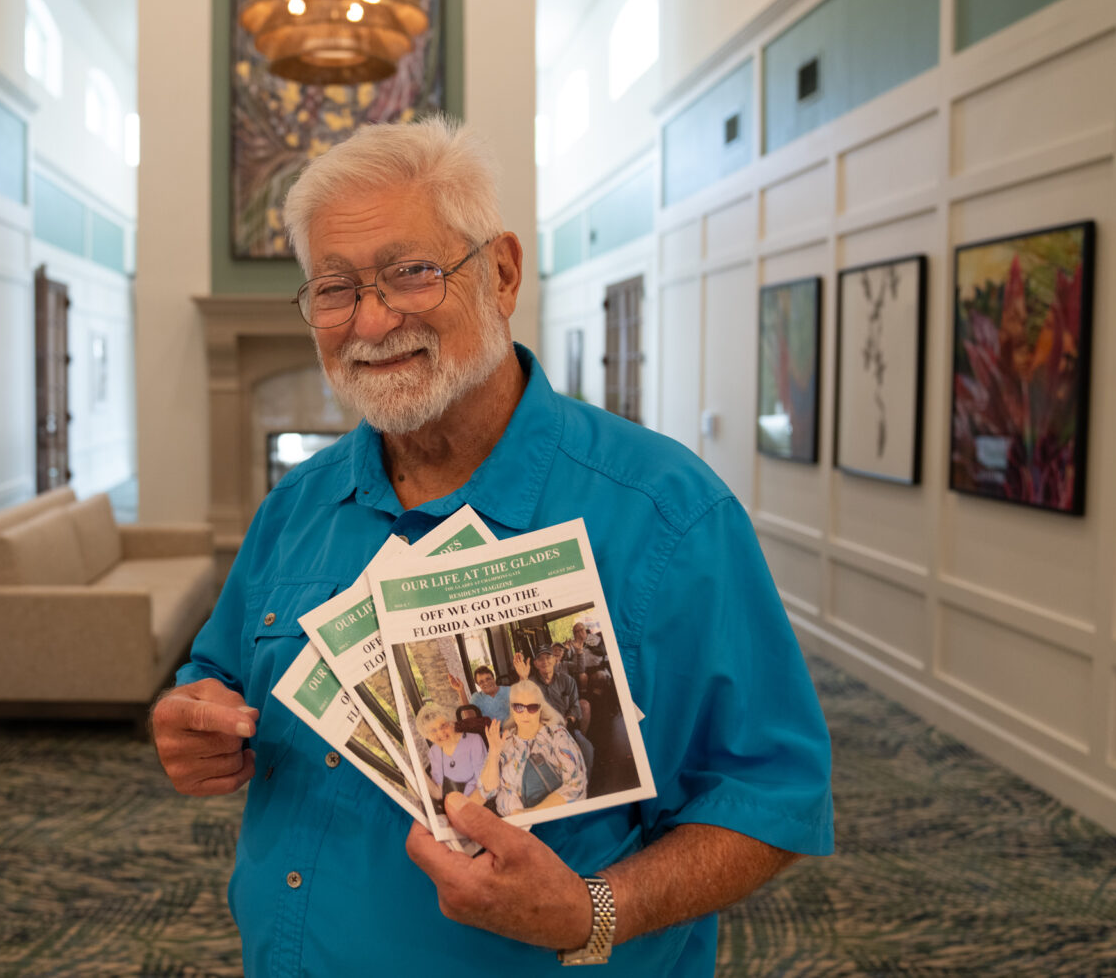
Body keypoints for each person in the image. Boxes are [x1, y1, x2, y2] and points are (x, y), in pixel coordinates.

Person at [150, 116, 833, 974]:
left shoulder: (669, 515)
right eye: (334, 288)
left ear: (501, 272)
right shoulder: (297, 504)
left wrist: (592, 909)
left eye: (410, 273)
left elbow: (772, 795)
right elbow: (214, 674)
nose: (370, 320)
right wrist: (193, 716)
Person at [480, 680, 588, 815]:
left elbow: (576, 785)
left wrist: (532, 813)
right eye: (519, 707)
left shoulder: (556, 735)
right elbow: (487, 789)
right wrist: (494, 754)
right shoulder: (503, 741)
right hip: (512, 824)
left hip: (552, 819)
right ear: (512, 709)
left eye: (532, 708)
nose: (525, 714)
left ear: (540, 709)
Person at [517, 645, 593, 767]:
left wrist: (568, 720)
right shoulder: (530, 683)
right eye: (540, 659)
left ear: (554, 660)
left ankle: (583, 783)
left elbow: (575, 706)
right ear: (535, 664)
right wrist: (523, 678)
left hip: (566, 727)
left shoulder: (567, 680)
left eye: (548, 657)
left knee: (587, 750)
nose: (545, 662)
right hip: (542, 731)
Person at [415, 701, 490, 806]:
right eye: (433, 731)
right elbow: (439, 793)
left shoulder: (474, 741)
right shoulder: (434, 752)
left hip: (479, 804)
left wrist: (464, 809)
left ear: (451, 723)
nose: (441, 733)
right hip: (452, 809)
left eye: (443, 726)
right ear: (427, 736)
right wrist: (420, 771)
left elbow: (485, 786)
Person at [448, 664, 512, 726]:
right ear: (478, 685)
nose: (486, 683)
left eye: (488, 679)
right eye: (481, 682)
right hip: (492, 734)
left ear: (493, 678)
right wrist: (461, 691)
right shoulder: (477, 697)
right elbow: (469, 717)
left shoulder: (508, 690)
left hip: (514, 730)